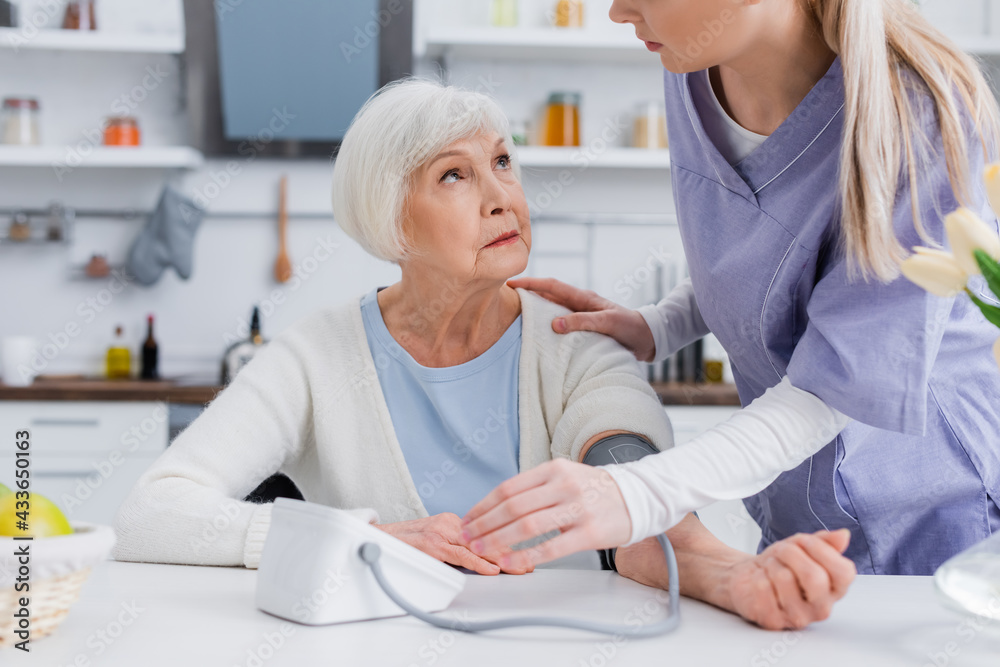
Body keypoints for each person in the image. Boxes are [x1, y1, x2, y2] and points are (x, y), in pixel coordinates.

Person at [113, 79, 854, 630]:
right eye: (454, 175)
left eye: (503, 161)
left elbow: (632, 497)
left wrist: (740, 576)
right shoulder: (315, 353)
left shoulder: (573, 340)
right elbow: (153, 511)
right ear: (391, 219)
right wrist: (350, 534)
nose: (502, 195)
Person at [460, 0, 1000, 577]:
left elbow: (841, 380)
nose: (618, 12)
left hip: (938, 511)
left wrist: (638, 493)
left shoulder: (921, 115)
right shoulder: (691, 62)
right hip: (800, 505)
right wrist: (663, 323)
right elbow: (770, 243)